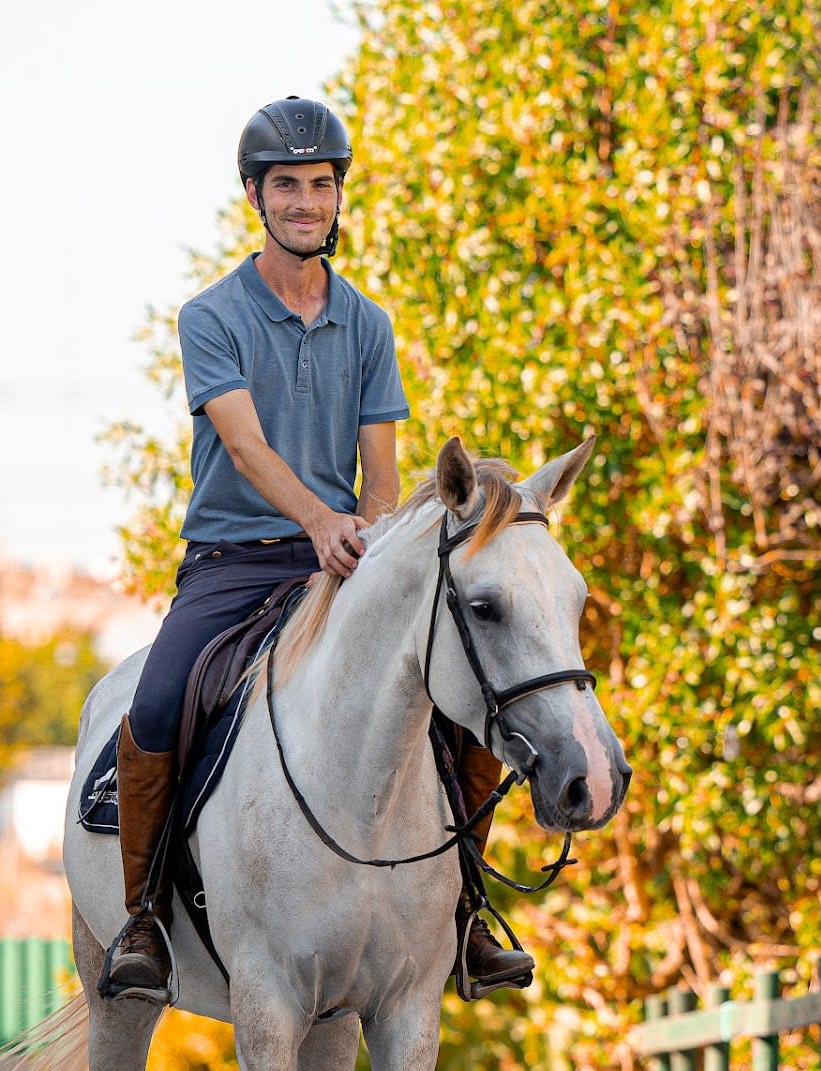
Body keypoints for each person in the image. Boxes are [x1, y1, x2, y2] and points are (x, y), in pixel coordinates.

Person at [101, 96, 535, 1002]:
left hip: (341, 560)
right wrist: (316, 519)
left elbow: (381, 468)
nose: (306, 200)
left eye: (322, 185)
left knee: (454, 700)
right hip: (234, 560)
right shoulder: (210, 317)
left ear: (340, 197)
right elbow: (248, 445)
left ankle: (466, 917)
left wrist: (369, 538)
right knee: (157, 701)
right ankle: (142, 919)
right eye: (287, 185)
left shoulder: (369, 325)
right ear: (256, 196)